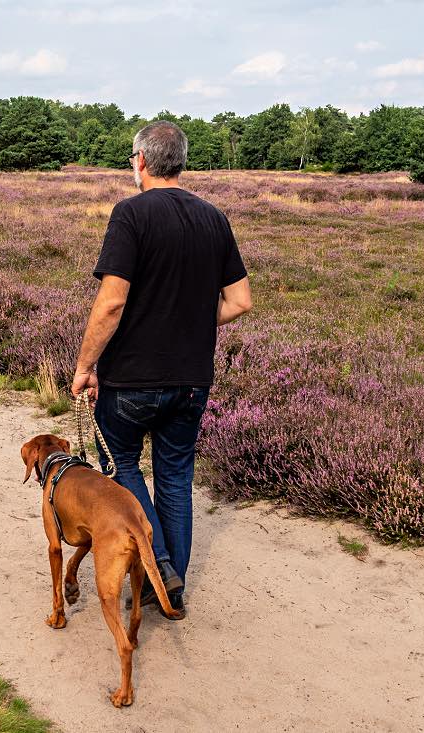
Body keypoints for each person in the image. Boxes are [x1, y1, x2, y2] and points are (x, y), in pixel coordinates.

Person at [70, 120, 253, 619]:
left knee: (121, 467)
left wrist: (86, 365)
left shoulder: (131, 214)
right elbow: (239, 301)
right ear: (183, 162)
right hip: (192, 380)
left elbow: (111, 303)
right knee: (175, 476)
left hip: (130, 378)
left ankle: (159, 564)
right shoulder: (214, 218)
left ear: (141, 161)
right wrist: (190, 320)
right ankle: (170, 587)